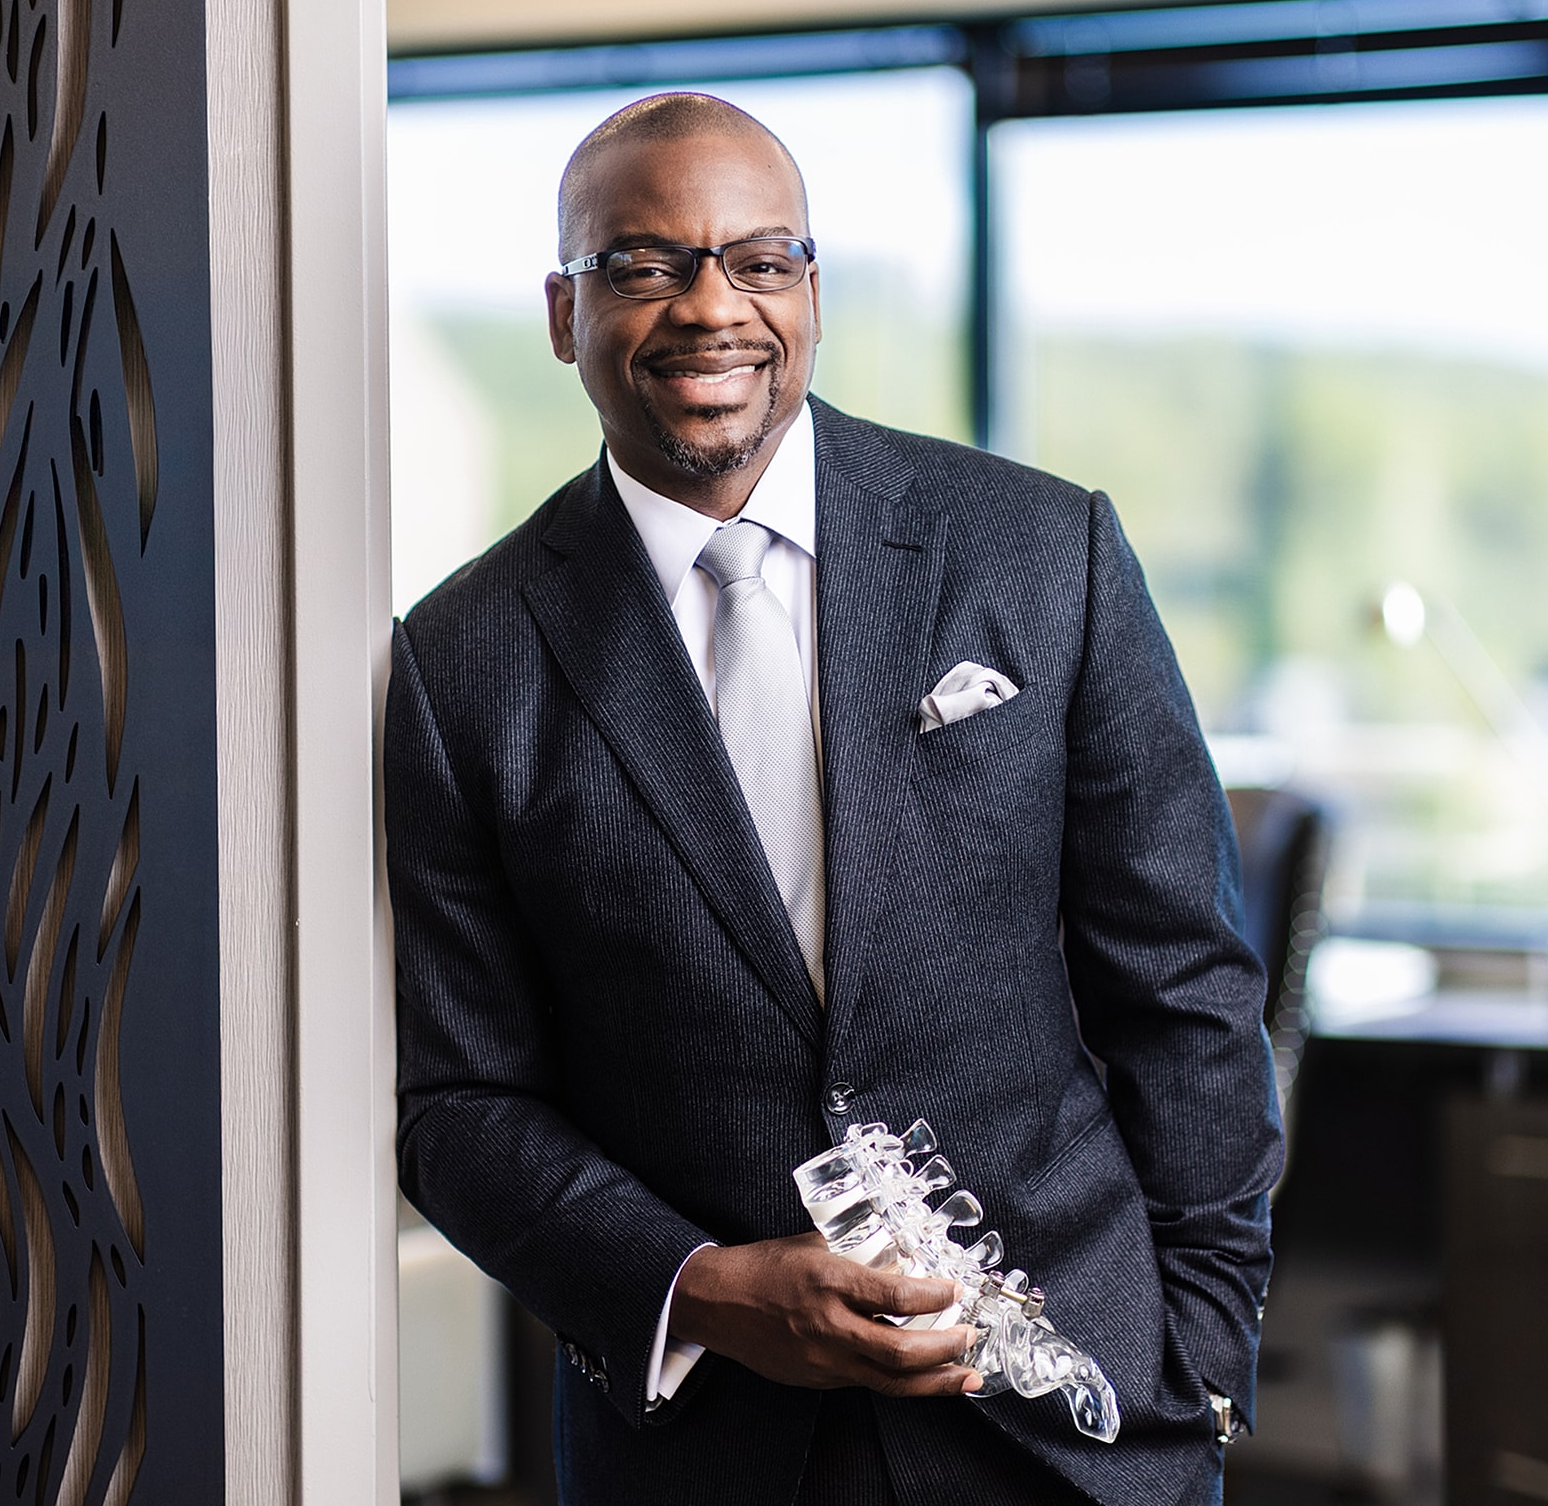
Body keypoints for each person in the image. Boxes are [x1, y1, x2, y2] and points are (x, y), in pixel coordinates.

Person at [386, 92, 1280, 1505]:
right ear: (564, 313)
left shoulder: (1047, 554)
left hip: (1079, 1427)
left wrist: (1209, 1363)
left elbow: (1186, 989)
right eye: (643, 264)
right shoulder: (459, 662)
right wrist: (704, 1289)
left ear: (812, 290)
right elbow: (457, 1099)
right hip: (706, 1454)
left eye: (759, 259)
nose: (708, 307)